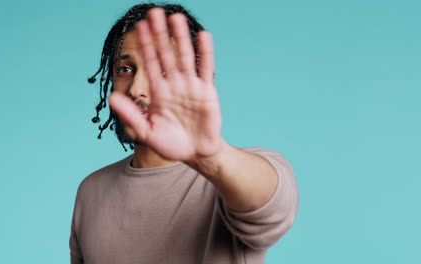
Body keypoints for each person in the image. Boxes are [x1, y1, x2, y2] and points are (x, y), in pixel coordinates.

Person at [69, 3, 298, 264]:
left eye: (162, 72)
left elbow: (274, 206)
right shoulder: (91, 190)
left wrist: (212, 158)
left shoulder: (228, 178)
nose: (136, 89)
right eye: (125, 69)